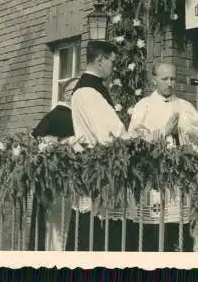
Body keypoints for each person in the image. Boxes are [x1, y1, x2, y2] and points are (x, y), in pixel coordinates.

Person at [128, 60, 198, 251]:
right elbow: (133, 140)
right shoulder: (144, 106)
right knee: (152, 234)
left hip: (179, 181)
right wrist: (164, 131)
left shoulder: (186, 106)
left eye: (173, 78)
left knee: (178, 230)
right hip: (152, 179)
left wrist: (184, 131)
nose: (170, 83)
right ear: (154, 79)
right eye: (164, 79)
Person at [65, 40, 129, 251]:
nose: (113, 66)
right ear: (100, 60)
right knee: (95, 238)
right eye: (112, 61)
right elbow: (108, 135)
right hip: (100, 171)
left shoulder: (86, 90)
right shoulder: (89, 92)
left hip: (93, 168)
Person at [28, 77, 79, 251]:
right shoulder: (64, 116)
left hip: (51, 182)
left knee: (51, 228)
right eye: (76, 91)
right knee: (59, 228)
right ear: (67, 94)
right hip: (60, 182)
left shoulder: (54, 115)